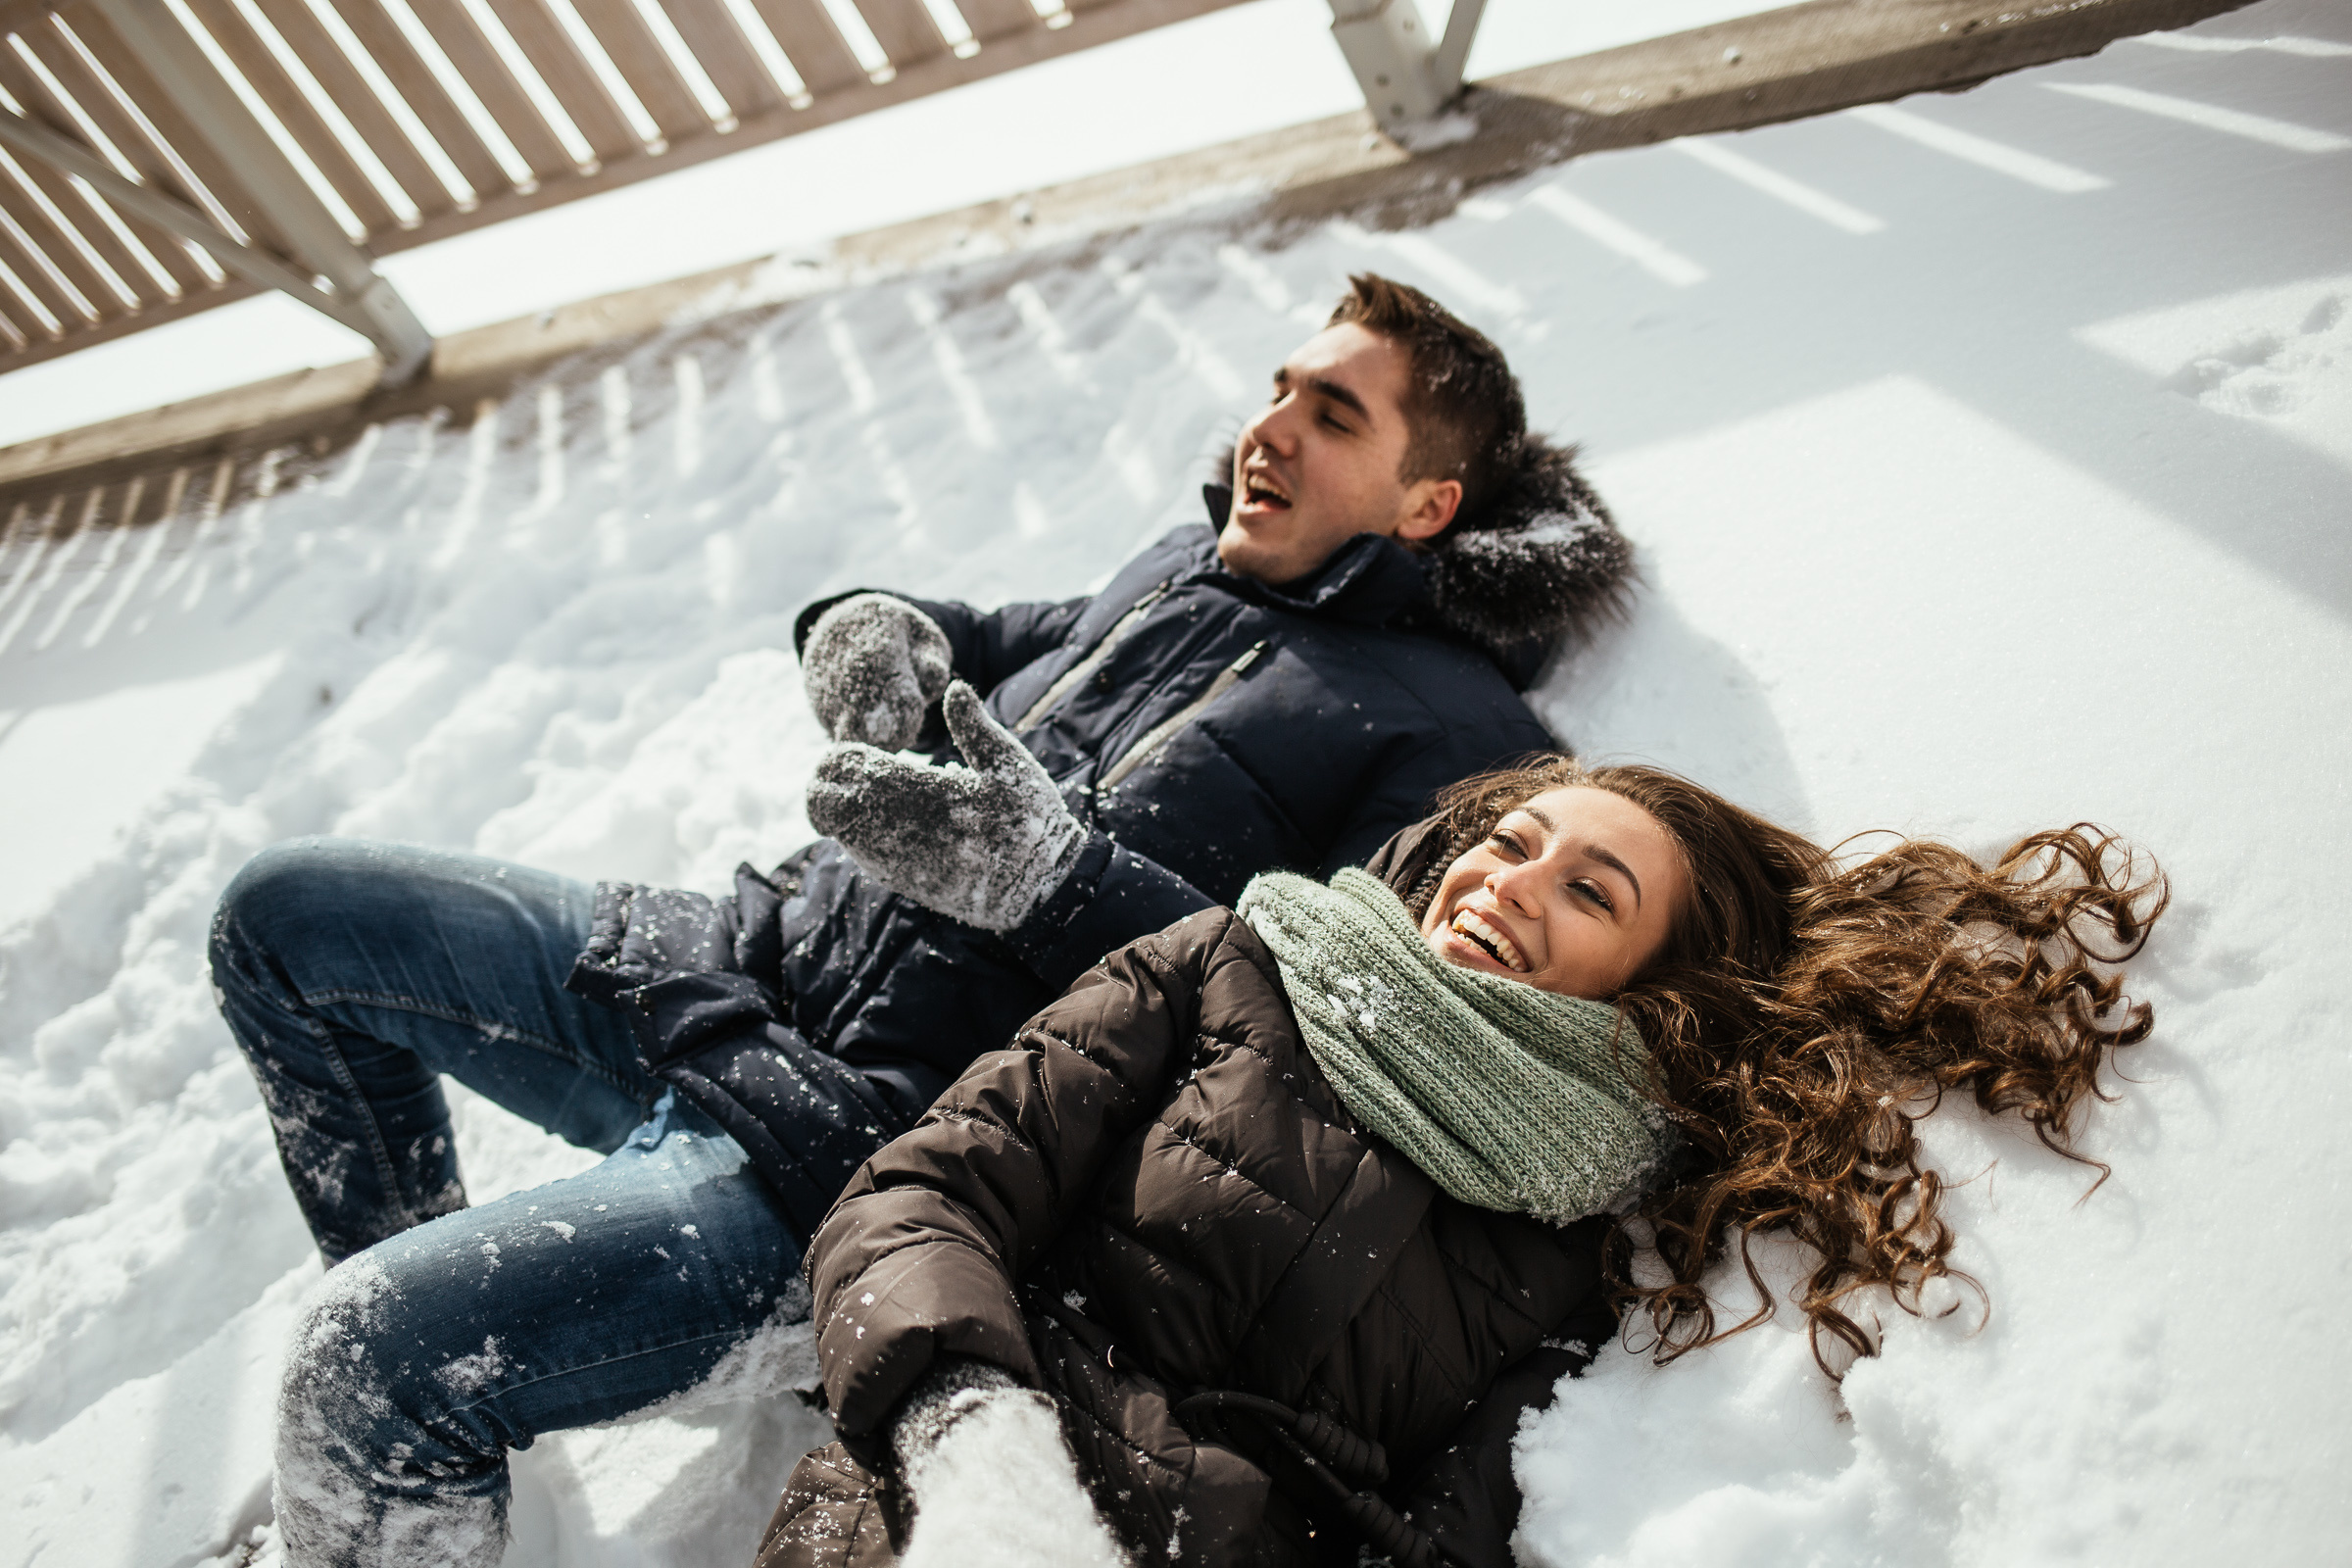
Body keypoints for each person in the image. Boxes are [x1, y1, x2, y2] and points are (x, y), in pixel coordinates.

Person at [211, 275, 1636, 1565]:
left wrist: (1050, 883)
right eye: (1277, 387)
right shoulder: (1184, 563)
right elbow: (981, 635)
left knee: (370, 1352)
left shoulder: (1452, 734)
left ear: (1427, 504)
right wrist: (869, 628)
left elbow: (1308, 1028)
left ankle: (421, 1384)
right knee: (286, 917)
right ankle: (435, 1403)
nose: (1269, 428)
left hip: (847, 1148)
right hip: (727, 966)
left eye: (1331, 413)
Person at [759, 757, 2166, 1568]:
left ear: (1654, 989)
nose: (1506, 884)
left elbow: (1442, 1541)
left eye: (1587, 892)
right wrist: (979, 1461)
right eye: (1511, 842)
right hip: (933, 1516)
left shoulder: (1594, 1230)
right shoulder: (1237, 963)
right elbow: (921, 1194)